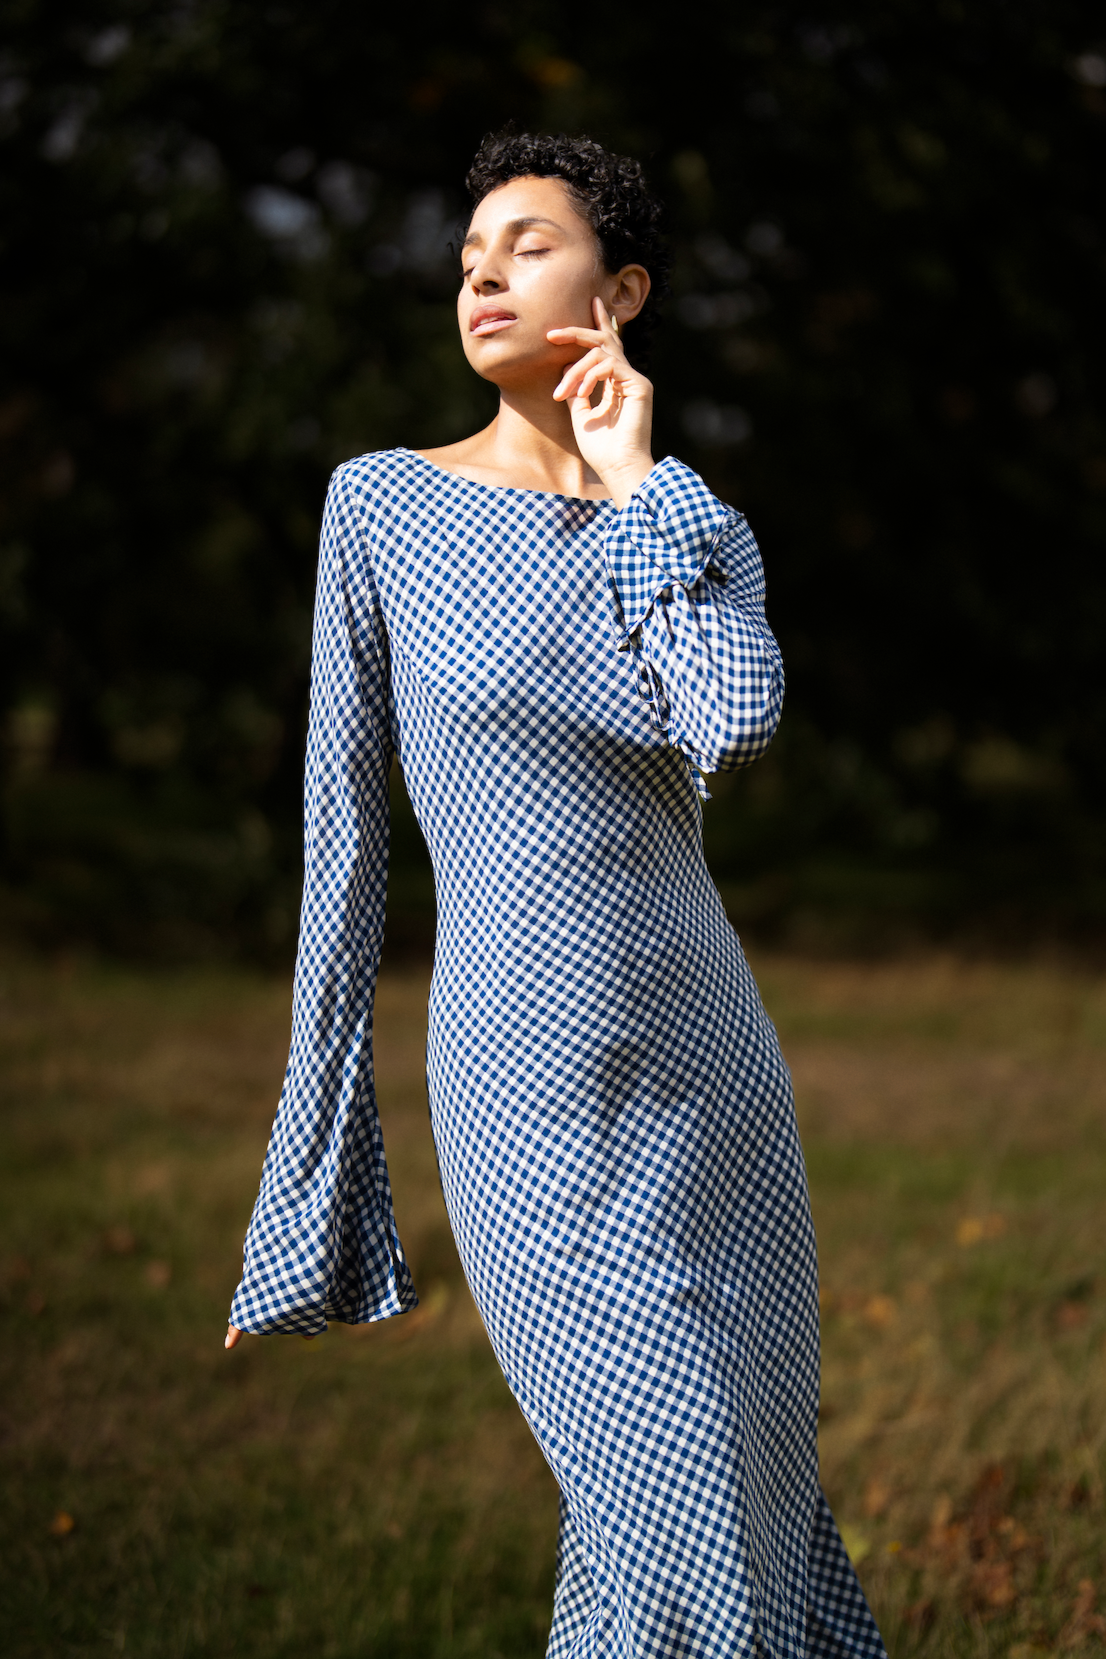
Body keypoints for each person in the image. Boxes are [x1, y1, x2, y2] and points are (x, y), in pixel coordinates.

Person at [226, 129, 886, 1659]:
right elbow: (341, 847)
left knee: (748, 1492)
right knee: (671, 1495)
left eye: (525, 244)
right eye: (468, 257)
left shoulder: (687, 522)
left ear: (624, 288)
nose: (483, 275)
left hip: (708, 1072)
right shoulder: (381, 507)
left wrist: (636, 480)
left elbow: (734, 718)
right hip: (524, 1089)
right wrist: (301, 1194)